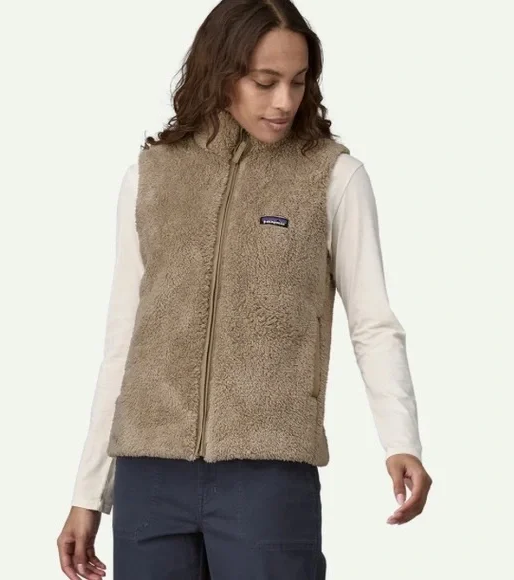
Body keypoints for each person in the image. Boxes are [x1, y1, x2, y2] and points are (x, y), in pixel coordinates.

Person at [57, 1, 433, 578]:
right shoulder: (151, 175)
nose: (284, 101)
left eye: (298, 82)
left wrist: (400, 441)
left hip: (267, 475)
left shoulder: (333, 177)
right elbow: (123, 339)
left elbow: (373, 323)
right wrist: (89, 493)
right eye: (265, 82)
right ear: (220, 73)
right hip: (148, 475)